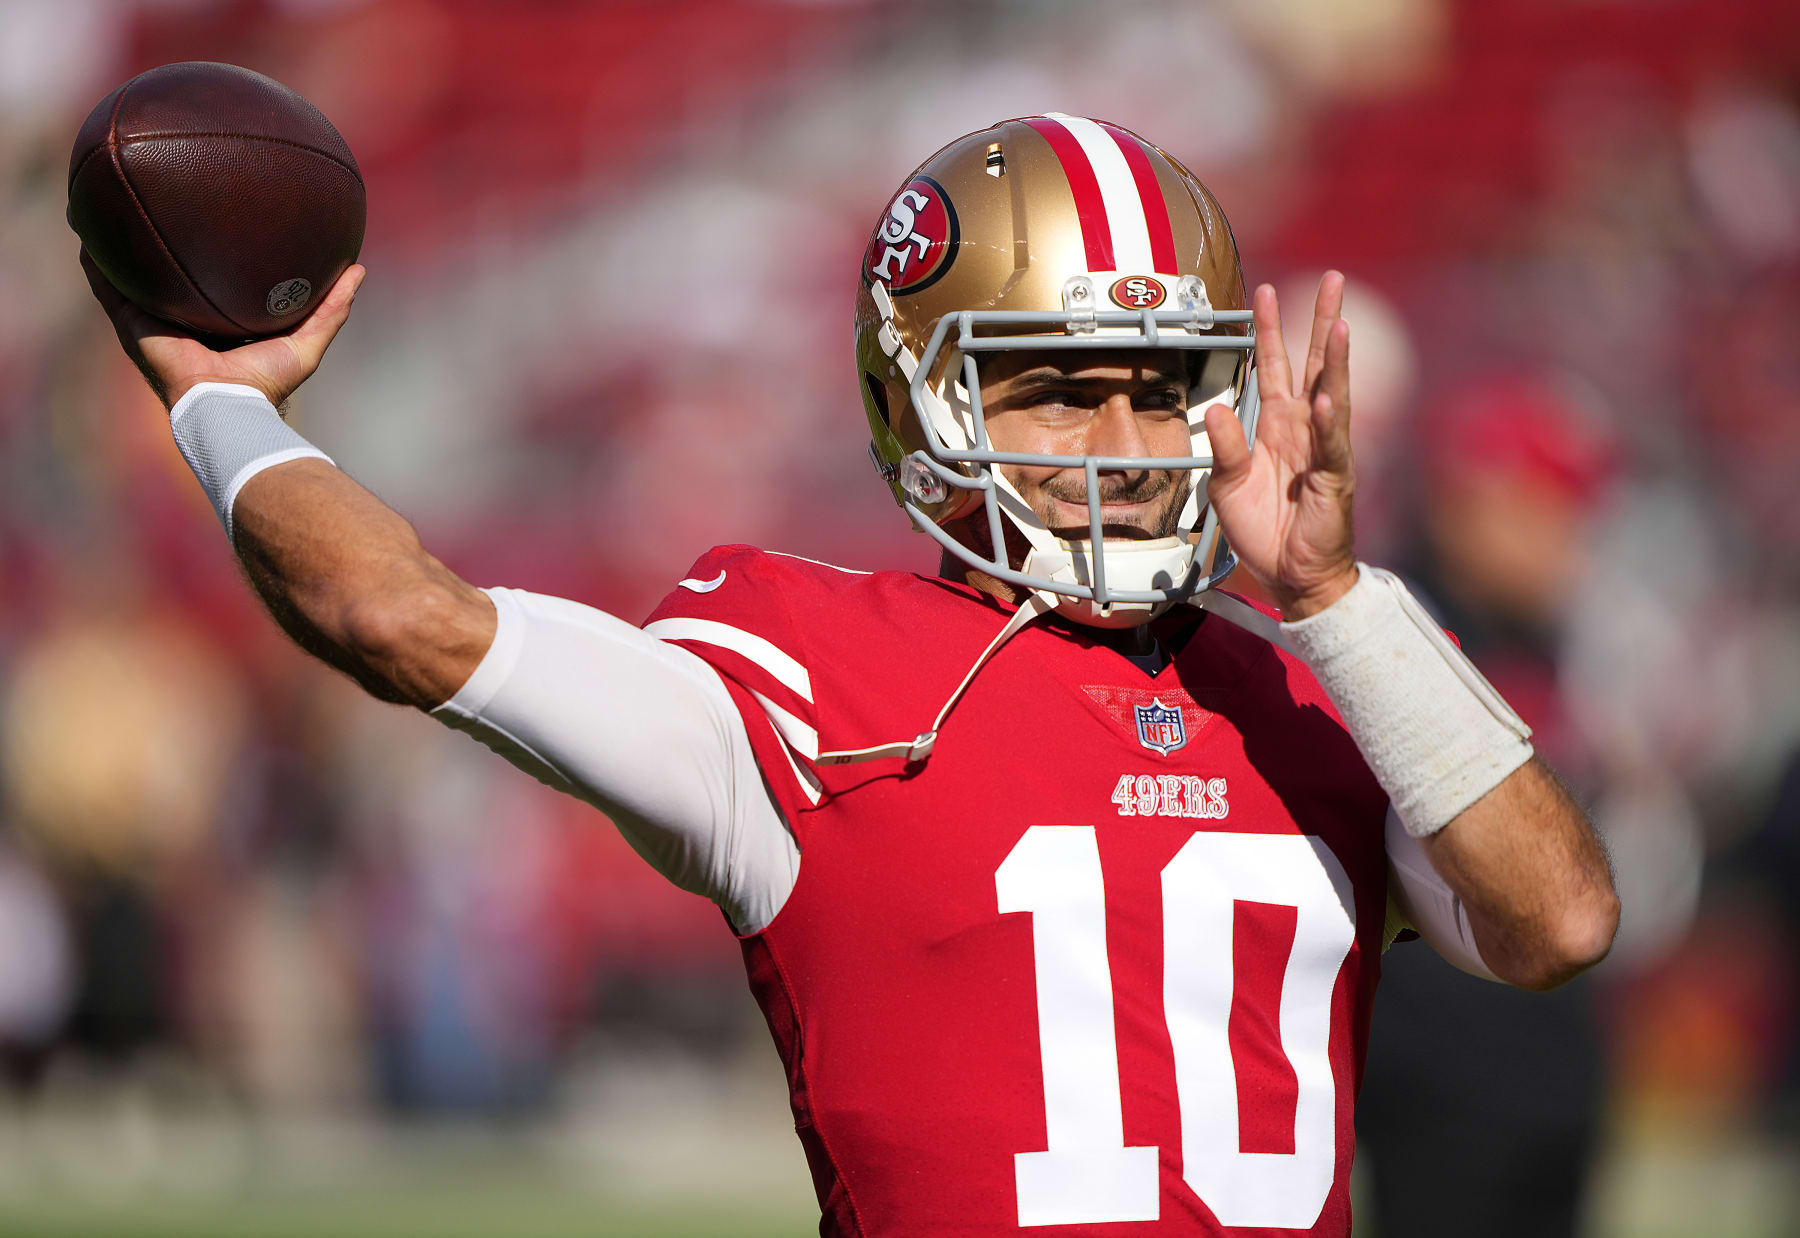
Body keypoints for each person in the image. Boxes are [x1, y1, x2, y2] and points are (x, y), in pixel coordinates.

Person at [80, 113, 1619, 1236]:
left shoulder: (1307, 699)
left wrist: (1336, 596)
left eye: (1162, 390)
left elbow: (1560, 918)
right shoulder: (799, 673)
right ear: (927, 405)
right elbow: (391, 613)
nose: (1131, 446)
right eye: (1062, 391)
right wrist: (221, 408)